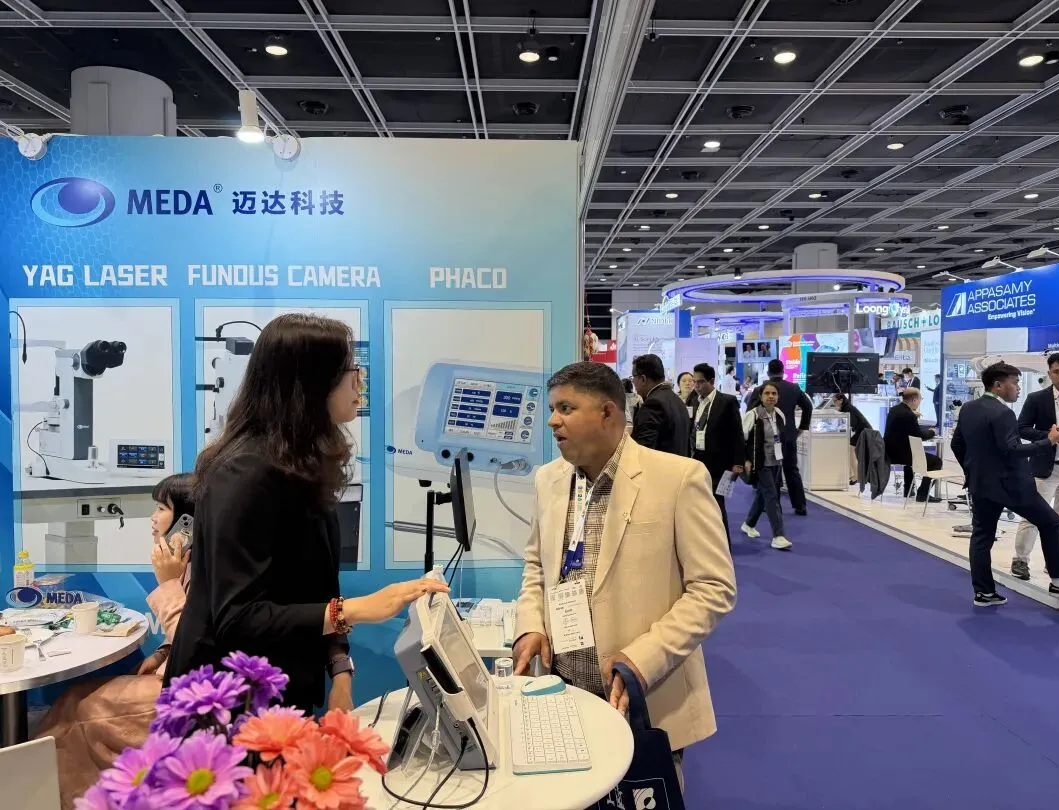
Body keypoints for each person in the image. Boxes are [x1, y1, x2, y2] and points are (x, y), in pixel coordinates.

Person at [166, 313, 447, 713]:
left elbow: (315, 587)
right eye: (351, 371)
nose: (360, 383)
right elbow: (239, 619)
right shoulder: (244, 473)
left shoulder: (301, 465)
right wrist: (359, 609)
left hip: (281, 689)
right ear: (311, 383)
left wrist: (340, 670)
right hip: (224, 703)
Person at [512, 361, 736, 782]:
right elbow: (536, 564)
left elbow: (713, 589)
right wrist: (530, 624)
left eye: (565, 408)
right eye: (552, 409)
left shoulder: (678, 479)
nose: (552, 420)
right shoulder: (548, 479)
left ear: (607, 412)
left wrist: (642, 660)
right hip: (565, 692)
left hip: (642, 698)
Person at [35, 474, 196, 809]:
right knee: (70, 699)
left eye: (162, 508)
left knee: (79, 710)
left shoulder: (204, 569)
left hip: (189, 690)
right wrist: (163, 652)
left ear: (188, 520)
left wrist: (167, 583)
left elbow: (198, 643)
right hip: (172, 673)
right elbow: (191, 633)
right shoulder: (185, 563)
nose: (152, 517)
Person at [951, 362, 1059, 606]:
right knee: (1052, 522)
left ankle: (984, 593)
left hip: (982, 483)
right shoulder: (1003, 413)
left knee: (982, 536)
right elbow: (1012, 450)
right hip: (1012, 485)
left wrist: (973, 471)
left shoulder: (969, 407)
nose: (1018, 388)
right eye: (1015, 382)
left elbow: (957, 444)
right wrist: (1050, 440)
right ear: (998, 385)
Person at [1012, 351, 1059, 580]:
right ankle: (1020, 560)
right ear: (1050, 374)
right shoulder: (1036, 399)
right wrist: (1051, 437)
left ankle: (1056, 564)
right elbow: (1021, 428)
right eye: (1058, 372)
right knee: (1032, 515)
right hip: (1045, 466)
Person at [747, 359, 813, 515]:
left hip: (767, 439)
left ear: (768, 372)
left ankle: (774, 506)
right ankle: (800, 506)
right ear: (783, 371)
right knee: (792, 470)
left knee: (771, 472)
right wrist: (802, 427)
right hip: (789, 436)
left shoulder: (761, 389)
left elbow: (750, 411)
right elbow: (808, 406)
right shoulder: (794, 388)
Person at [691, 363, 745, 536]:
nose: (697, 386)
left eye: (700, 382)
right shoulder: (694, 401)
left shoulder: (727, 402)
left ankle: (724, 545)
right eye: (694, 382)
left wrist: (738, 462)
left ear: (712, 381)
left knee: (717, 505)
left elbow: (737, 433)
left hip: (720, 464)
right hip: (697, 460)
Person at [740, 382, 791, 550]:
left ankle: (749, 523)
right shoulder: (753, 415)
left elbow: (781, 439)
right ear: (761, 397)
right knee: (771, 495)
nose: (771, 396)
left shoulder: (780, 415)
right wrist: (745, 460)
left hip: (776, 460)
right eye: (767, 393)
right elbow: (741, 439)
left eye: (774, 393)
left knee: (763, 494)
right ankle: (778, 535)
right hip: (760, 462)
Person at [884, 388, 941, 503]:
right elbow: (919, 436)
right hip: (900, 455)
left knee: (911, 454)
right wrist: (932, 432)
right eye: (920, 399)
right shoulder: (908, 415)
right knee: (936, 462)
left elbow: (909, 429)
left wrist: (912, 415)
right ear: (914, 400)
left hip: (888, 451)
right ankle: (923, 494)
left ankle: (908, 490)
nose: (920, 402)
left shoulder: (895, 409)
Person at [632, 353, 691, 456]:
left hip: (659, 465)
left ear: (643, 379)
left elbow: (642, 450)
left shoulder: (653, 404)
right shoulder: (677, 400)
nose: (633, 381)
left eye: (634, 376)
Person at [834, 394, 871, 484]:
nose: (834, 403)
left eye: (835, 401)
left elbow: (851, 423)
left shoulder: (848, 409)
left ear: (841, 400)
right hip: (861, 431)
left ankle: (856, 475)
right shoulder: (847, 407)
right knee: (850, 450)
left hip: (863, 431)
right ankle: (854, 474)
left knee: (850, 449)